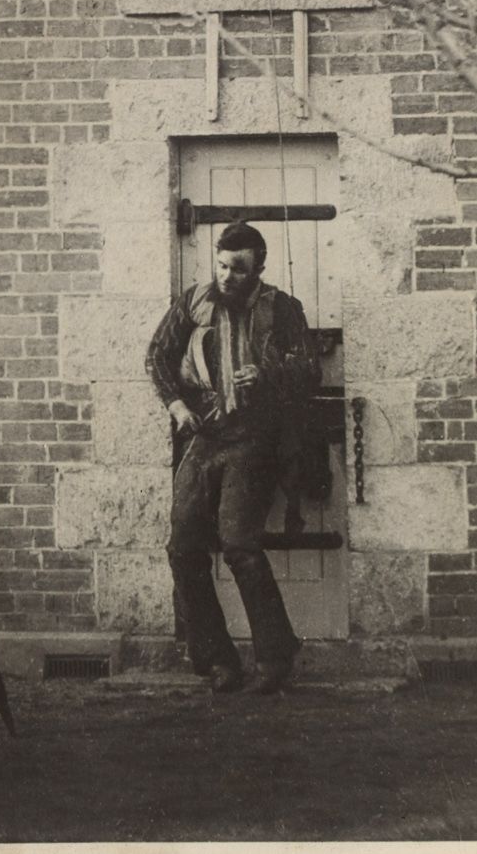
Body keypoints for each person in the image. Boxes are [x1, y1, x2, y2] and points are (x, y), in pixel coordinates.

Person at [145, 221, 320, 696]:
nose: (226, 277)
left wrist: (266, 375)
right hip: (204, 435)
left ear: (258, 269)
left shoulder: (282, 308)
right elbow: (157, 356)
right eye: (221, 266)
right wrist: (177, 406)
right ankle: (217, 661)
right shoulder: (194, 302)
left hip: (255, 438)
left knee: (240, 545)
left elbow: (309, 369)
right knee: (183, 547)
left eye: (238, 270)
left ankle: (275, 658)